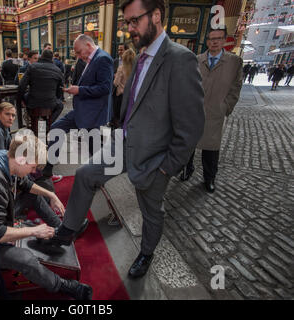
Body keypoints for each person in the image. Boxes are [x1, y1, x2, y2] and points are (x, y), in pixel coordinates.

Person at [41, 0, 205, 280]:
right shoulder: (139, 56)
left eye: (134, 21)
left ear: (156, 16)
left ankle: (146, 253)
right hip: (123, 143)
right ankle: (68, 230)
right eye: (127, 22)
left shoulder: (180, 59)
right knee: (85, 173)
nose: (129, 28)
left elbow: (191, 125)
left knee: (151, 211)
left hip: (155, 157)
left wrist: (167, 167)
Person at [0, 133, 93, 300]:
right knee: (23, 258)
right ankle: (63, 285)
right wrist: (34, 231)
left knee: (33, 195)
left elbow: (26, 184)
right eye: (32, 167)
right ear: (20, 159)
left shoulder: (5, 158)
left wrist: (51, 195)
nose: (33, 171)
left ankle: (62, 233)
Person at [0, 102, 63, 228]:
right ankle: (58, 226)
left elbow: (10, 152)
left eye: (13, 115)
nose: (11, 118)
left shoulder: (2, 129)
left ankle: (59, 225)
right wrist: (33, 231)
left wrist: (50, 194)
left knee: (35, 183)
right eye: (7, 114)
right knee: (33, 185)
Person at [180, 27, 242, 193]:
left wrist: (226, 107)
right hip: (195, 111)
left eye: (218, 38)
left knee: (211, 149)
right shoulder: (197, 59)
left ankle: (209, 178)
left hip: (215, 111)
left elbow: (236, 87)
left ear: (224, 40)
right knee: (189, 145)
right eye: (211, 39)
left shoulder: (234, 61)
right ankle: (188, 169)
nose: (214, 42)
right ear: (207, 41)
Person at [43, 34, 114, 177]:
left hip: (91, 112)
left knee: (88, 143)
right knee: (61, 130)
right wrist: (76, 89)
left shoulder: (102, 58)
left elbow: (105, 88)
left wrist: (79, 90)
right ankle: (48, 169)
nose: (77, 55)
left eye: (78, 51)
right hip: (85, 110)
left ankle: (97, 174)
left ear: (88, 45)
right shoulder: (93, 58)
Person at [18, 49, 64, 125]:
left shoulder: (32, 67)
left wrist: (21, 99)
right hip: (50, 102)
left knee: (27, 98)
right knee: (60, 105)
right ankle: (48, 123)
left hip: (33, 102)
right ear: (52, 58)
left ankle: (33, 123)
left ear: (41, 57)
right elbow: (60, 90)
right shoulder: (58, 70)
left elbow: (22, 86)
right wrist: (55, 98)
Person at [111, 48, 136, 127]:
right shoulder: (136, 69)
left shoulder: (121, 68)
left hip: (120, 97)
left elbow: (115, 83)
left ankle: (118, 137)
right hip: (131, 96)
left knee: (118, 118)